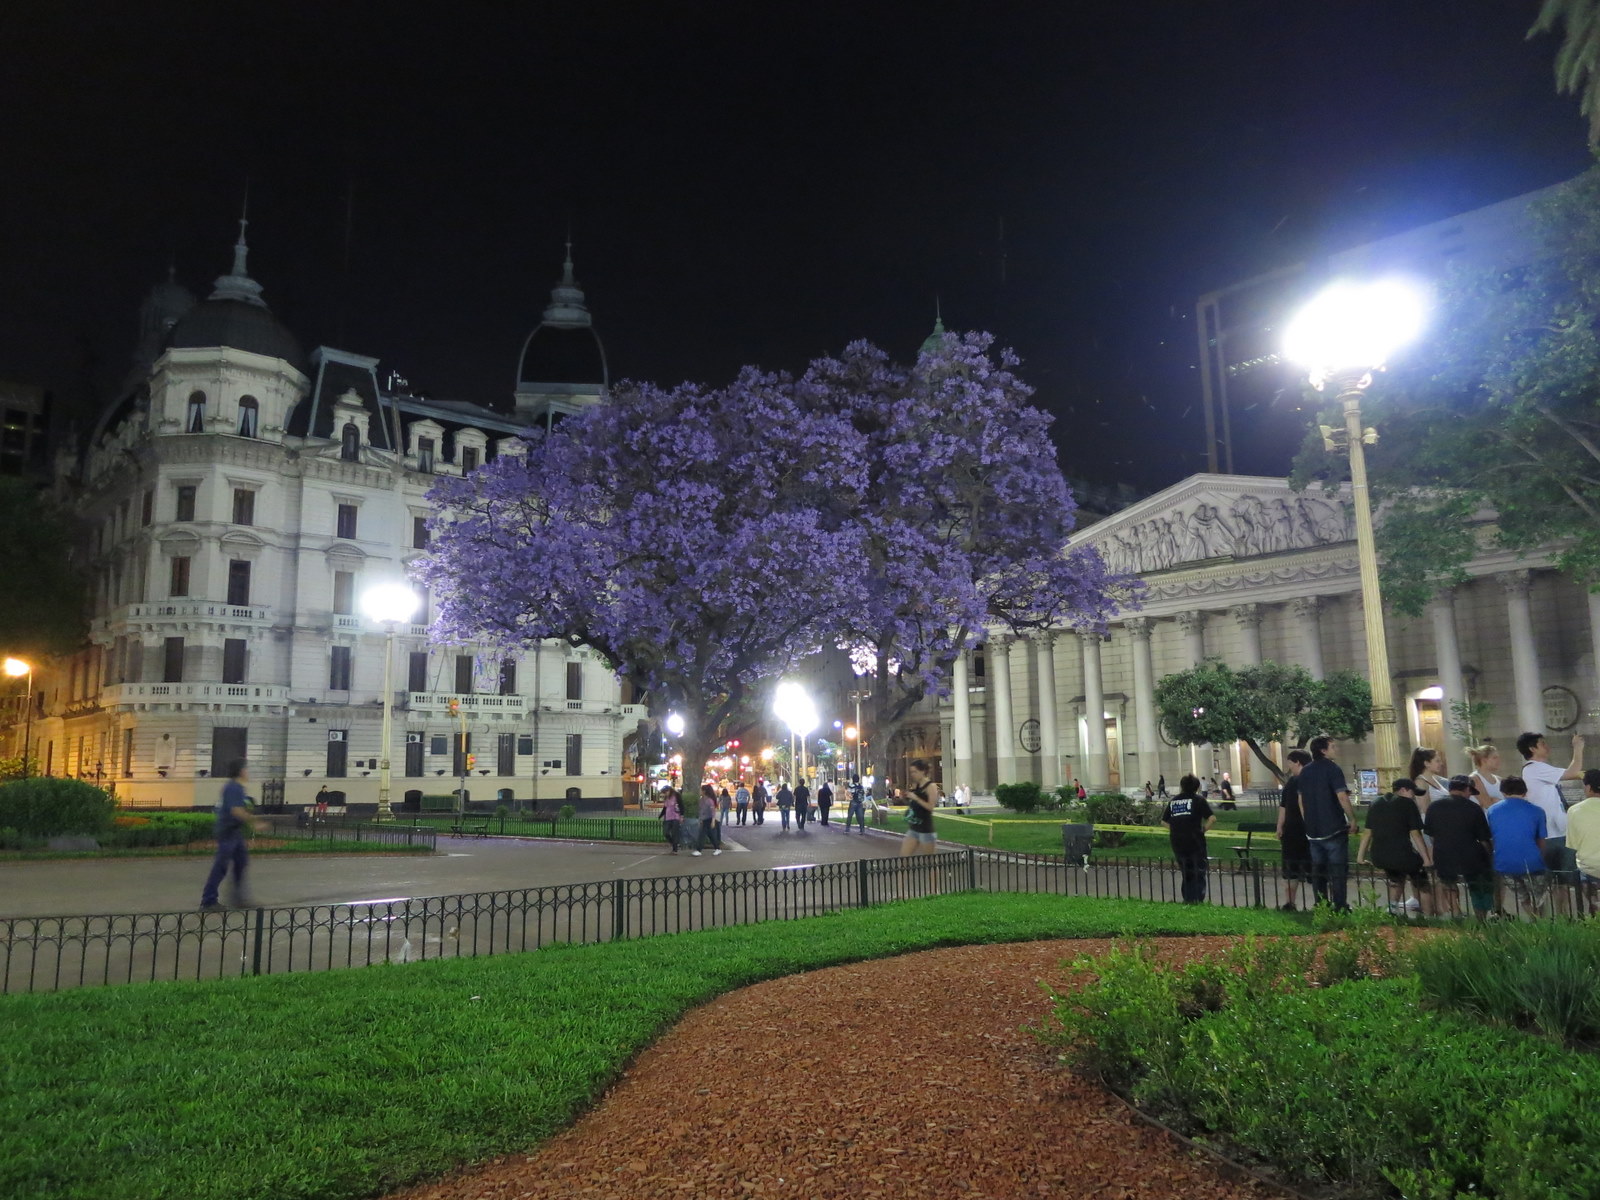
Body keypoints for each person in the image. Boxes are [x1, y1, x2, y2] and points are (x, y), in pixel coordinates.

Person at [1518, 731, 1584, 907]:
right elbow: (1573, 772)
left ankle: (1561, 915)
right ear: (1532, 748)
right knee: (1548, 882)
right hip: (1549, 836)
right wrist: (1578, 748)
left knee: (1562, 882)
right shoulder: (1534, 768)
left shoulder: (1539, 769)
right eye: (1542, 744)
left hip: (1557, 832)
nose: (1547, 747)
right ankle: (1551, 916)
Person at [1357, 778, 1434, 917]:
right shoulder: (1408, 804)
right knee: (1422, 882)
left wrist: (1360, 857)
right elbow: (1416, 834)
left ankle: (1393, 909)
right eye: (1413, 793)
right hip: (1402, 854)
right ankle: (1428, 917)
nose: (1414, 797)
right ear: (1403, 790)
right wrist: (1426, 859)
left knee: (1396, 878)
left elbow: (1367, 832)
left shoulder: (1375, 803)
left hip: (1380, 855)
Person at [1297, 736, 1358, 912]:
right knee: (1338, 871)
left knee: (1319, 871)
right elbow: (1341, 796)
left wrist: (1307, 820)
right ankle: (1340, 905)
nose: (1336, 749)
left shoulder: (1305, 771)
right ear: (1323, 750)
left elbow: (1301, 800)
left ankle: (1321, 904)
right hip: (1333, 828)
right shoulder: (1333, 769)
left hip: (1313, 830)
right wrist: (1352, 819)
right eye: (1332, 746)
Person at [1425, 775, 1495, 920]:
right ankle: (1481, 916)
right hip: (1470, 857)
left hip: (1443, 855)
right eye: (1470, 792)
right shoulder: (1474, 808)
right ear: (1467, 789)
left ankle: (1456, 912)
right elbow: (1483, 839)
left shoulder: (1433, 807)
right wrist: (1489, 856)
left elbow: (1431, 836)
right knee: (1479, 884)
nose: (1470, 796)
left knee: (1448, 883)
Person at [200, 759, 265, 911]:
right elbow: (236, 810)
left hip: (234, 831)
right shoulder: (233, 787)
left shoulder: (237, 787)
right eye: (246, 769)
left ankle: (238, 898)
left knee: (241, 862)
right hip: (228, 831)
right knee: (221, 866)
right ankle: (208, 901)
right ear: (241, 771)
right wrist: (255, 822)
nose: (248, 772)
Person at [1486, 775, 1549, 916]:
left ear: (1503, 792)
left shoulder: (1492, 811)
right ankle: (1540, 922)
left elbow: (1493, 837)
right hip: (1532, 862)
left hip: (1504, 863)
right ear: (1525, 792)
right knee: (1539, 899)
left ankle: (1533, 919)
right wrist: (1541, 859)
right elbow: (1541, 840)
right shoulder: (1537, 811)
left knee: (1522, 897)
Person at [1161, 773, 1215, 904]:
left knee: (1185, 869)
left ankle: (1187, 898)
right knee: (1198, 868)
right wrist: (1203, 830)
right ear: (1197, 787)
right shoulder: (1199, 800)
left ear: (1182, 786)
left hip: (1177, 840)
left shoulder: (1174, 801)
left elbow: (1163, 821)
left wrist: (1175, 829)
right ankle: (1197, 898)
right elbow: (1212, 818)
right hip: (1195, 839)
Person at [1275, 749, 1313, 911]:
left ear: (1297, 762)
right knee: (1313, 867)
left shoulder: (1293, 782)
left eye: (1290, 763)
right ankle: (1321, 902)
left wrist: (1280, 826)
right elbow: (1284, 805)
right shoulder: (1309, 780)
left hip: (1293, 830)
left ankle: (1290, 902)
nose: (1289, 767)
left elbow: (1284, 806)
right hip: (1307, 830)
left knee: (1290, 867)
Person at [1565, 768, 1600, 915]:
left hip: (1589, 868)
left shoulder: (1574, 810)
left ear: (1588, 787)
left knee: (1593, 900)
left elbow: (1572, 844)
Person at [899, 758, 942, 858]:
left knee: (930, 861)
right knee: (903, 857)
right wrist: (905, 798)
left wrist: (916, 798)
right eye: (911, 772)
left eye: (915, 772)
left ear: (922, 771)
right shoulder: (916, 785)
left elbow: (931, 807)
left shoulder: (931, 786)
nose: (912, 774)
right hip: (914, 828)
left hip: (926, 829)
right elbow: (914, 804)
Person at [1406, 747, 1449, 814]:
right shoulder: (1420, 782)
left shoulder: (1436, 779)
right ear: (1427, 763)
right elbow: (1425, 809)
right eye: (1437, 761)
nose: (1441, 763)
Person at [1468, 744, 1504, 812]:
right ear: (1484, 760)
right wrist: (1499, 801)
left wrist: (1496, 800)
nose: (1499, 760)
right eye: (1494, 758)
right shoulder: (1474, 779)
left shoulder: (1500, 780)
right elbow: (1487, 804)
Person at [692, 783, 723, 856]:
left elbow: (713, 811)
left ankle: (699, 850)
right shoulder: (701, 800)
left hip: (709, 819)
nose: (700, 791)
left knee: (702, 835)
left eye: (701, 790)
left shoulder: (709, 800)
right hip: (704, 819)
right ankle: (717, 848)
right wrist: (701, 819)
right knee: (711, 835)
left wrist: (713, 821)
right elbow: (700, 810)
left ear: (704, 791)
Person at [659, 787, 683, 853]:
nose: (665, 794)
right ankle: (674, 843)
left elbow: (681, 805)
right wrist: (661, 815)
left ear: (669, 791)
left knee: (674, 833)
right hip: (668, 817)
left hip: (675, 817)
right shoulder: (667, 798)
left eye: (666, 792)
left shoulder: (676, 796)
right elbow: (665, 808)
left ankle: (675, 849)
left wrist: (681, 816)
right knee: (666, 832)